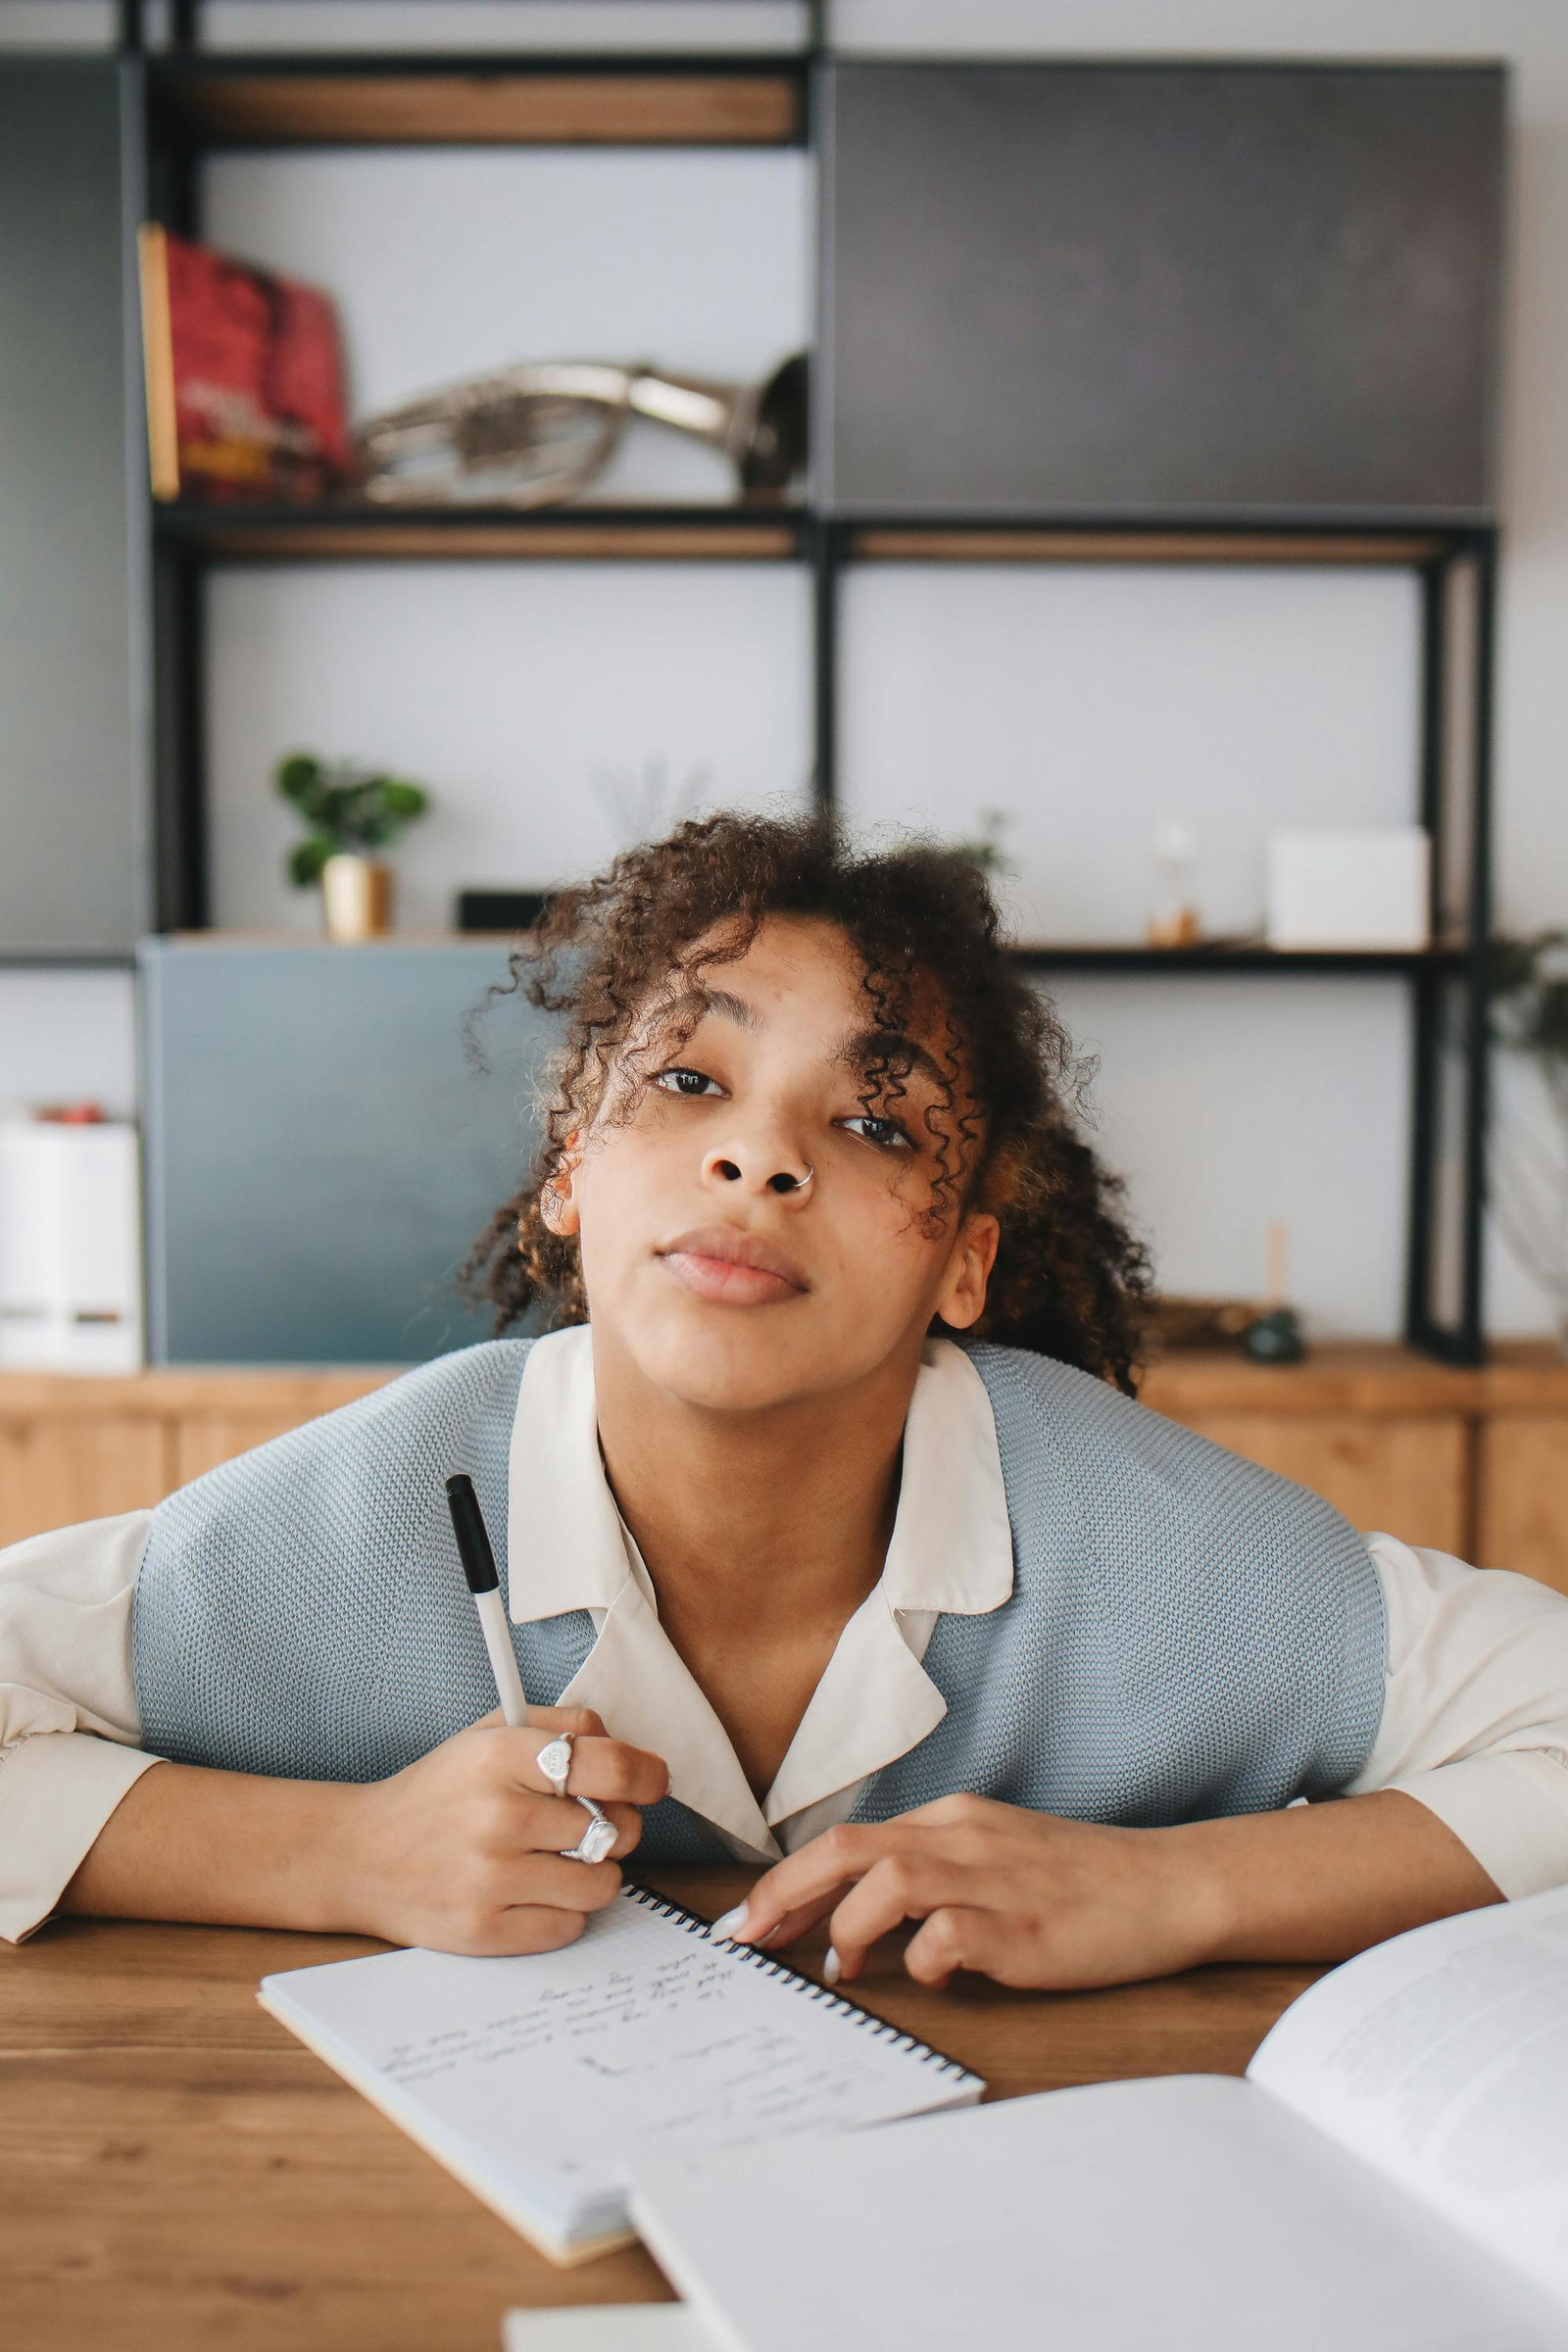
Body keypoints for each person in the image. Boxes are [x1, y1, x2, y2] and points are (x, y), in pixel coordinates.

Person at [4, 813, 1567, 1992]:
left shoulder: (1164, 1548)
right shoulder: (343, 1521)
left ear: (964, 1263)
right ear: (569, 1174)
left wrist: (1186, 1893)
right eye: (689, 1081)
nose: (761, 1158)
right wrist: (334, 1852)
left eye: (877, 1120)